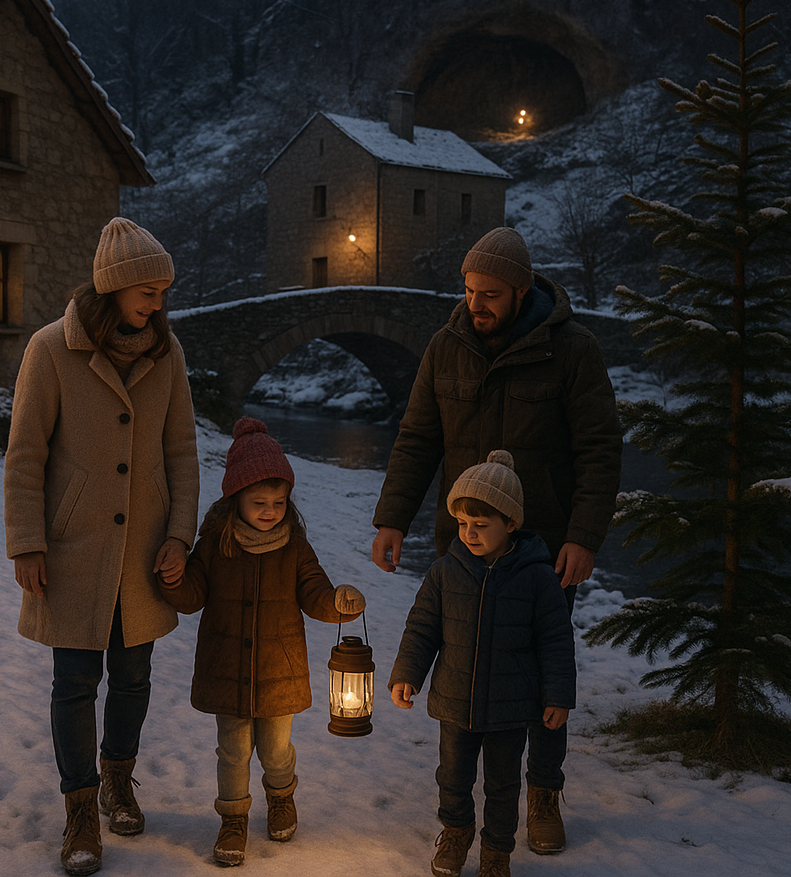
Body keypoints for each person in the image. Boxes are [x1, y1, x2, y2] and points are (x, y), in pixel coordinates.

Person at [372, 226, 620, 854]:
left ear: (520, 290)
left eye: (488, 294)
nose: (474, 304)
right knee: (465, 667)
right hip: (463, 548)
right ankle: (459, 807)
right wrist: (391, 519)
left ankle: (543, 794)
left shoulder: (573, 350)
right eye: (468, 290)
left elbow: (599, 448)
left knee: (541, 674)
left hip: (545, 552)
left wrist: (584, 536)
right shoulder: (445, 346)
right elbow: (417, 438)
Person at [5, 217, 200, 877]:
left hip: (144, 550)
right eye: (148, 289)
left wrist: (180, 535)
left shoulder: (167, 353)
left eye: (164, 290)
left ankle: (119, 780)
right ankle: (81, 809)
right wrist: (26, 543)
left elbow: (181, 452)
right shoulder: (49, 350)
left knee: (135, 676)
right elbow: (25, 457)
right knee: (74, 682)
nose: (157, 302)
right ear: (113, 288)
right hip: (73, 548)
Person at [159, 417, 366, 867]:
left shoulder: (294, 546)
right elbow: (192, 595)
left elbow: (315, 593)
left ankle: (281, 797)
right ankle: (232, 819)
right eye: (259, 502)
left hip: (279, 672)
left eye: (279, 501)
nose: (270, 510)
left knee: (275, 749)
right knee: (233, 749)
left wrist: (339, 604)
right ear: (236, 498)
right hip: (226, 668)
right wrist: (174, 580)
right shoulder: (215, 542)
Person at [389, 450, 575, 877]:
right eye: (462, 524)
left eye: (481, 525)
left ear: (511, 523)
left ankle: (496, 853)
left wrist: (559, 696)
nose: (469, 534)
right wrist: (407, 675)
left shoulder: (538, 577)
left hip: (511, 708)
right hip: (455, 703)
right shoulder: (444, 572)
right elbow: (422, 629)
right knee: (452, 779)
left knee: (503, 786)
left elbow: (556, 641)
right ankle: (456, 833)